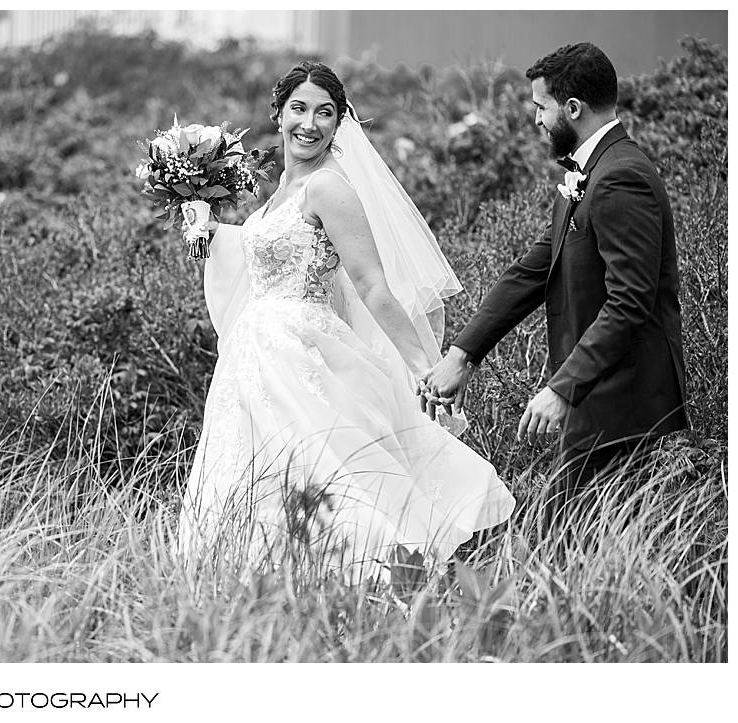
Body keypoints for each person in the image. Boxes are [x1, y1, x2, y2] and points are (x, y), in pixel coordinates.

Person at [179, 61, 514, 581]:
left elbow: (372, 283)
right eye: (299, 109)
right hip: (253, 358)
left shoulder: (329, 188)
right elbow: (259, 256)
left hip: (302, 353)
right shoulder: (284, 189)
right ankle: (265, 596)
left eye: (325, 113)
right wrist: (208, 224)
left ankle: (363, 585)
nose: (309, 123)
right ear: (279, 114)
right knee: (255, 477)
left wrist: (425, 367)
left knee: (324, 473)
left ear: (340, 124)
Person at [419, 43, 687, 534]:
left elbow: (630, 302)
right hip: (600, 395)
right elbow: (533, 271)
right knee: (582, 543)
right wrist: (463, 354)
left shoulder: (621, 176)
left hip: (620, 398)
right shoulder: (590, 172)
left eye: (541, 107)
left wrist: (563, 389)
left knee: (564, 540)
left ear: (572, 109)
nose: (536, 119)